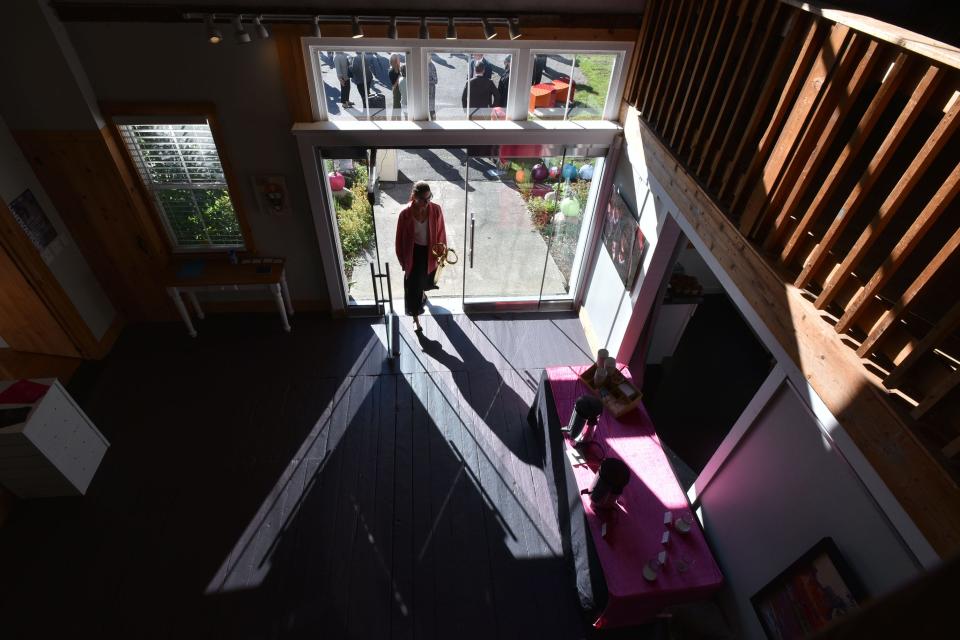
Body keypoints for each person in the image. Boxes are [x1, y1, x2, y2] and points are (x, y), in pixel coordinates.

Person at [396, 182, 447, 331]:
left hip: (430, 252)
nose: (427, 202)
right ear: (414, 197)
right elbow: (399, 241)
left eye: (429, 198)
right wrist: (403, 262)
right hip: (413, 254)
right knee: (412, 287)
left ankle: (423, 295)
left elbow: (441, 232)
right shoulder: (405, 215)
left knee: (425, 281)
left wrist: (442, 253)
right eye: (423, 199)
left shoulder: (436, 210)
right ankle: (415, 318)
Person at [389, 54, 402, 119]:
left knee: (398, 106)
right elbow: (394, 85)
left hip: (400, 88)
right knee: (396, 106)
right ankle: (394, 120)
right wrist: (398, 78)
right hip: (396, 90)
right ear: (395, 61)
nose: (399, 60)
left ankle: (397, 120)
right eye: (398, 59)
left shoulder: (399, 69)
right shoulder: (391, 71)